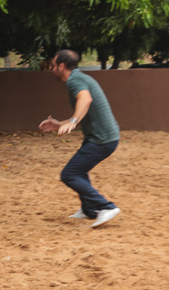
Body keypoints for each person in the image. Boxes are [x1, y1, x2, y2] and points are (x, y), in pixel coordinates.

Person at [38, 49, 122, 228]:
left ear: (61, 66)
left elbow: (85, 99)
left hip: (102, 139)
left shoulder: (75, 80)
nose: (52, 69)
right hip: (101, 137)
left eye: (53, 65)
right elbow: (85, 108)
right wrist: (60, 124)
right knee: (80, 171)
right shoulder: (79, 78)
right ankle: (89, 210)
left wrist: (74, 121)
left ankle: (106, 207)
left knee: (69, 174)